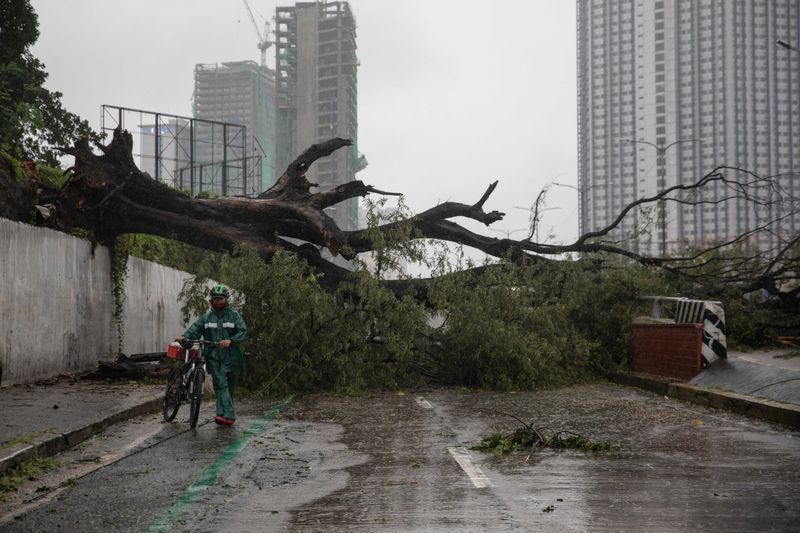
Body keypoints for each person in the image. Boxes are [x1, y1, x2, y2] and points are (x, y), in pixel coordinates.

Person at [177, 284, 247, 427]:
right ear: (211, 300)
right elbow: (195, 329)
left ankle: (221, 414)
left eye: (220, 298)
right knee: (221, 384)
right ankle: (229, 416)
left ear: (226, 299)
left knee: (229, 387)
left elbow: (243, 331)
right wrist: (185, 337)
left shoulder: (234, 316)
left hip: (232, 356)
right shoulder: (207, 317)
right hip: (214, 356)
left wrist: (231, 340)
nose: (217, 301)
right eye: (215, 298)